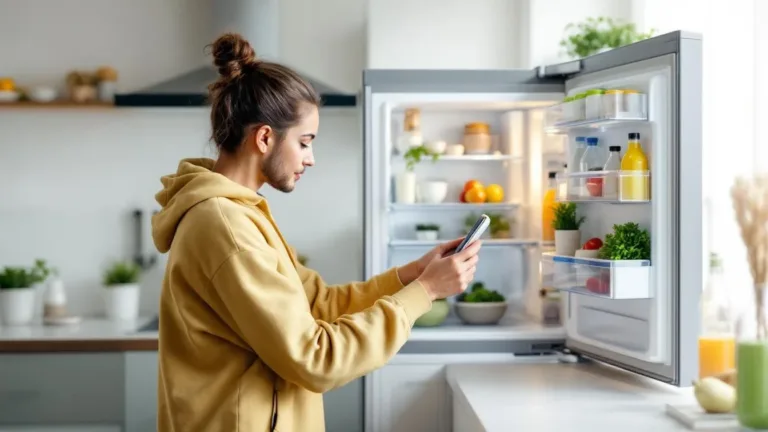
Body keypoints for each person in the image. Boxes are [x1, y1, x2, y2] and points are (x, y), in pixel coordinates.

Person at [150, 32, 482, 432]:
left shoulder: (241, 215)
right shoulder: (225, 227)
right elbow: (316, 359)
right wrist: (425, 292)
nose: (311, 159)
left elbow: (318, 302)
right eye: (305, 142)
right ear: (265, 137)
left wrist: (413, 275)